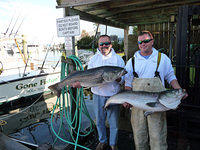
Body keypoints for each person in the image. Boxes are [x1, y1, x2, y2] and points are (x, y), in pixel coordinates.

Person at [124, 31, 188, 150]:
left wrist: (179, 90)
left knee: (158, 138)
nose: (143, 44)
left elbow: (170, 77)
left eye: (146, 41)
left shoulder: (162, 59)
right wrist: (126, 99)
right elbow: (128, 83)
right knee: (139, 137)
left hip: (158, 105)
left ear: (152, 41)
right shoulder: (131, 61)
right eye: (140, 42)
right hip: (137, 106)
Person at [72, 35, 125, 150]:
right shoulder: (93, 59)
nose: (104, 46)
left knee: (114, 122)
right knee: (99, 121)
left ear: (111, 44)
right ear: (98, 46)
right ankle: (102, 141)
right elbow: (88, 79)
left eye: (106, 44)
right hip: (98, 95)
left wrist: (118, 78)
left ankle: (113, 144)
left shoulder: (118, 59)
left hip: (114, 96)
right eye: (101, 44)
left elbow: (123, 79)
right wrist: (80, 84)